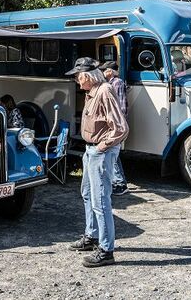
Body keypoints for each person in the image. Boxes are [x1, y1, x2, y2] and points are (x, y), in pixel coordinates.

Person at [66, 57, 129, 267]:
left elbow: (120, 127)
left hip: (99, 151)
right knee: (87, 194)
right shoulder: (92, 92)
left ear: (87, 76)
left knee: (101, 200)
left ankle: (106, 250)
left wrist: (102, 146)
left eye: (77, 76)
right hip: (90, 150)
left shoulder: (104, 91)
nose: (76, 80)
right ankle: (92, 236)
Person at [99, 61, 129, 195]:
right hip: (115, 124)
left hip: (116, 125)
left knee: (114, 154)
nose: (103, 73)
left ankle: (120, 183)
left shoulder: (117, 83)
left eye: (104, 70)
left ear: (110, 71)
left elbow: (121, 107)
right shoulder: (112, 83)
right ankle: (118, 182)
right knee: (114, 154)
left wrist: (116, 124)